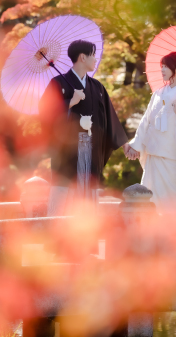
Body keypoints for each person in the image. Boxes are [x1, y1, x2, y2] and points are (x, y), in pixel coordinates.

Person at [39, 39, 128, 215]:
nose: (95, 59)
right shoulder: (58, 83)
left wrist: (125, 144)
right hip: (67, 151)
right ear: (82, 57)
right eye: (92, 55)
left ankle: (87, 235)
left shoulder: (97, 87)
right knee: (64, 196)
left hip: (91, 149)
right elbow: (46, 113)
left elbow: (110, 118)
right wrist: (70, 102)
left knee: (89, 198)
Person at [123, 51, 176, 213]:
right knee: (150, 199)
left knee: (172, 202)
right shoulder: (158, 94)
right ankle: (152, 235)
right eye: (162, 67)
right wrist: (136, 145)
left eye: (166, 66)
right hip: (154, 155)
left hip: (172, 157)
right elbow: (146, 121)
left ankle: (172, 235)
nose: (162, 70)